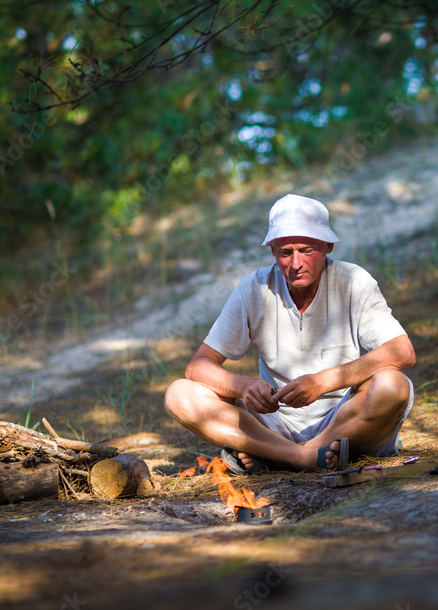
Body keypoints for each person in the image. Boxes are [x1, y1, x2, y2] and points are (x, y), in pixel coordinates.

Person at [165, 194, 416, 473]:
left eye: (307, 250)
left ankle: (282, 456)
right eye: (285, 252)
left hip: (346, 420)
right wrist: (244, 386)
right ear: (272, 250)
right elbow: (198, 366)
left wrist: (322, 382)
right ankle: (303, 458)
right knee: (179, 394)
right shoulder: (253, 289)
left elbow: (402, 351)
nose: (295, 263)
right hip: (273, 425)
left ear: (328, 246)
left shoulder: (354, 282)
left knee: (393, 385)